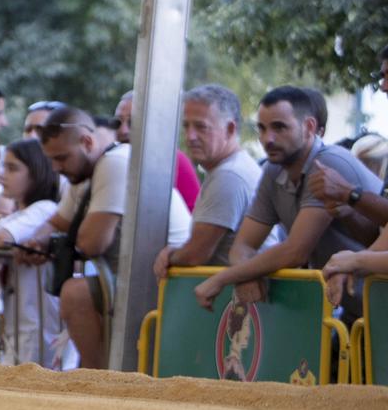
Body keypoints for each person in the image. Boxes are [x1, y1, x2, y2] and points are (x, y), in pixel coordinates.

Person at [194, 87, 383, 319]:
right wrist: (246, 274)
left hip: (375, 304)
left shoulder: (328, 163)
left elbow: (295, 251)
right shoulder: (272, 170)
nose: (267, 139)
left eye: (279, 127)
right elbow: (241, 247)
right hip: (354, 312)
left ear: (309, 127)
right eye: (261, 129)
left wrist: (223, 278)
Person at [39, 106, 191, 369]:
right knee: (77, 293)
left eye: (62, 158)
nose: (56, 168)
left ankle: (97, 378)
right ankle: (96, 373)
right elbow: (57, 222)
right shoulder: (86, 174)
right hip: (141, 277)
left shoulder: (115, 163)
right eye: (51, 159)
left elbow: (91, 242)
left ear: (87, 142)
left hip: (168, 280)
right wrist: (33, 242)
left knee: (75, 294)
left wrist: (69, 236)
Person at [0, 138, 71, 368]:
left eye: (12, 168)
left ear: (37, 172)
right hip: (19, 326)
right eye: (3, 166)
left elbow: (3, 237)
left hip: (38, 328)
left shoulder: (44, 209)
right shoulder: (21, 212)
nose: (2, 174)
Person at [153, 84, 263, 280]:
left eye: (201, 127)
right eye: (186, 126)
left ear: (230, 129)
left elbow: (195, 254)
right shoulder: (229, 169)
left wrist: (170, 255)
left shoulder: (229, 176)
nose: (190, 136)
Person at [114, 90, 201, 210]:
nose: (123, 130)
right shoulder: (115, 159)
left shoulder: (172, 160)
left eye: (133, 122)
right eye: (117, 122)